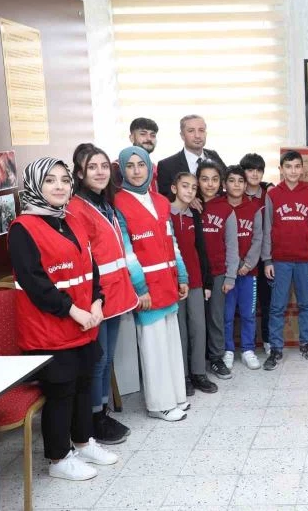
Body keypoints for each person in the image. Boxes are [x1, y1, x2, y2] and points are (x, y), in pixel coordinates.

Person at [8, 157, 118, 480]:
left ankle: (82, 442)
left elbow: (90, 267)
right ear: (34, 186)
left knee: (84, 384)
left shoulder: (70, 219)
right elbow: (36, 284)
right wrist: (74, 311)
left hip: (84, 323)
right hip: (50, 329)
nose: (59, 186)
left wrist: (97, 301)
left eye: (64, 180)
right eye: (50, 180)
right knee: (61, 391)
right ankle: (58, 458)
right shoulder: (22, 228)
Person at [113, 146, 190, 422]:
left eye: (141, 164)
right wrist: (140, 288)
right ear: (123, 170)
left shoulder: (160, 201)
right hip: (146, 287)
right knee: (153, 346)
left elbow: (172, 242)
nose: (136, 171)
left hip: (168, 281)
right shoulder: (118, 202)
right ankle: (159, 404)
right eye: (130, 165)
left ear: (149, 167)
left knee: (171, 343)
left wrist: (182, 275)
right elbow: (126, 251)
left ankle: (176, 396)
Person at [68, 144, 139, 445]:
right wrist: (93, 298)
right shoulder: (76, 208)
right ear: (79, 173)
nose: (99, 172)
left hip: (115, 292)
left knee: (107, 358)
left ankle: (102, 411)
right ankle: (94, 418)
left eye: (103, 166)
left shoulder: (105, 203)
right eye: (92, 167)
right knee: (98, 361)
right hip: (95, 298)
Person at [262, 150, 308, 370]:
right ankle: (276, 348)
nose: (293, 171)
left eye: (297, 166)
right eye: (288, 167)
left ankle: (306, 344)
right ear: (281, 169)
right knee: (277, 307)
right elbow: (267, 229)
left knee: (305, 304)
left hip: (305, 260)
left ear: (302, 169)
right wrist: (267, 260)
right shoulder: (273, 195)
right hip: (280, 261)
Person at [170, 172, 218, 396]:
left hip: (196, 279)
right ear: (174, 188)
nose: (189, 191)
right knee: (179, 329)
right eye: (185, 186)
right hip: (174, 282)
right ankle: (183, 376)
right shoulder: (164, 214)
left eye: (193, 187)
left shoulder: (194, 215)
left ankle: (199, 373)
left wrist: (207, 282)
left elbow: (201, 250)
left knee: (198, 327)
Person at [196, 160, 235, 379]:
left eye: (214, 179)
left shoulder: (226, 209)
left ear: (221, 182)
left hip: (218, 273)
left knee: (215, 317)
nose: (209, 184)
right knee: (196, 320)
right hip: (194, 274)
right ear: (197, 181)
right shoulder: (190, 204)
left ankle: (217, 358)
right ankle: (195, 361)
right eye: (204, 179)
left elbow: (232, 246)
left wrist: (230, 276)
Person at [224, 165, 264, 370]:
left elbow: (258, 238)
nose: (237, 185)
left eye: (241, 181)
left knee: (248, 313)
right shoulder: (219, 207)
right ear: (225, 184)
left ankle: (248, 349)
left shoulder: (253, 208)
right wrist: (233, 266)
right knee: (227, 315)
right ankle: (228, 350)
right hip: (227, 273)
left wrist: (248, 264)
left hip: (249, 271)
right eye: (232, 181)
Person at [240, 152, 274, 355]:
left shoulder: (269, 194)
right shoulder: (236, 194)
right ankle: (247, 346)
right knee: (246, 305)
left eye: (259, 170)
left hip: (266, 257)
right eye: (250, 170)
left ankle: (268, 340)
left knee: (268, 301)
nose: (254, 174)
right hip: (244, 258)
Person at [157, 114, 225, 201]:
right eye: (191, 131)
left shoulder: (214, 156)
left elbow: (227, 182)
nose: (197, 135)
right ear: (182, 135)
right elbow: (164, 198)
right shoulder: (166, 165)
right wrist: (187, 199)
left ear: (206, 133)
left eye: (201, 130)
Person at [112, 118, 160, 192]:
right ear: (131, 138)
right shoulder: (117, 167)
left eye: (153, 135)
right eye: (143, 134)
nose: (149, 139)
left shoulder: (154, 167)